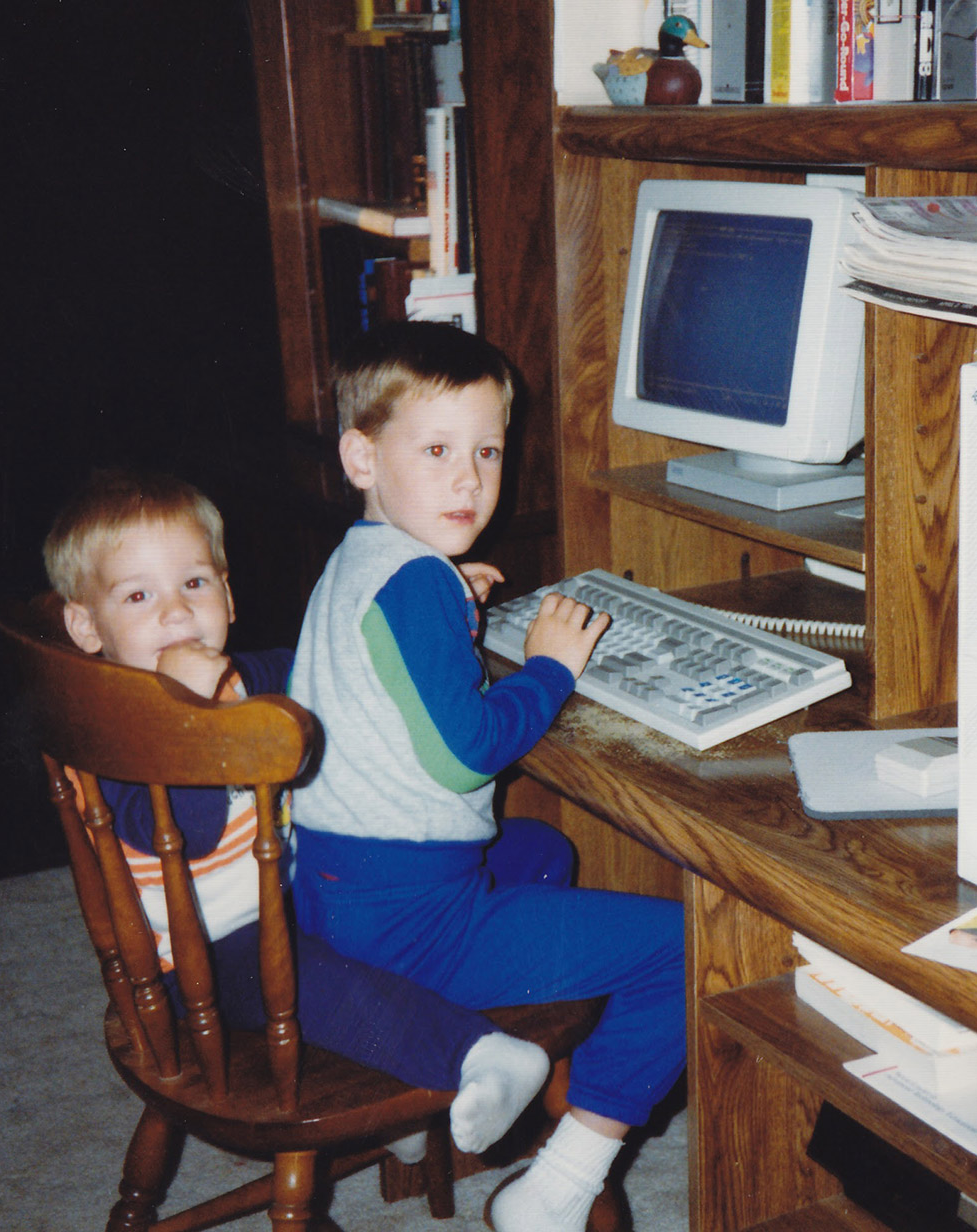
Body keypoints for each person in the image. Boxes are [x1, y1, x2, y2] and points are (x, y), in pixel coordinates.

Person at [287, 321, 687, 1232]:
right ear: (362, 456)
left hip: (332, 890)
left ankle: (408, 1068)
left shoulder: (366, 561)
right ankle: (559, 1187)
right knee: (681, 946)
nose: (467, 478)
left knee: (541, 850)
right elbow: (465, 750)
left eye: (487, 451)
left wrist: (449, 598)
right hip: (408, 919)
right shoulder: (414, 583)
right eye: (435, 450)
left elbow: (382, 676)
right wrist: (549, 668)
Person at [42, 467, 561, 1162]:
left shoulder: (239, 676)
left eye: (194, 583)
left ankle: (400, 1084)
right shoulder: (108, 734)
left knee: (529, 852)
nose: (175, 613)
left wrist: (439, 606)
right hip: (199, 958)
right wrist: (194, 727)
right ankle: (474, 1056)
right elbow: (188, 836)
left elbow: (334, 661)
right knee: (309, 978)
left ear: (227, 594)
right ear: (86, 625)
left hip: (291, 882)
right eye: (138, 596)